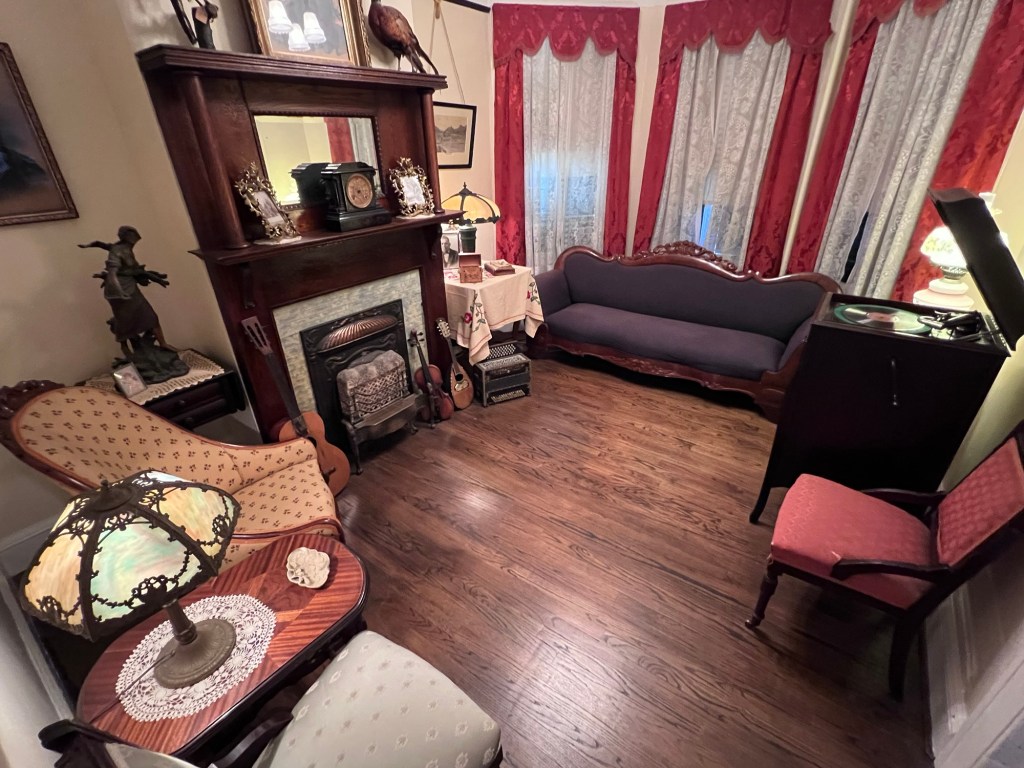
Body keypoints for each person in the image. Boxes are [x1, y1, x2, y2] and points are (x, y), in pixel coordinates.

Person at [79, 227, 189, 383]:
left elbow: (101, 244)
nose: (137, 237)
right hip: (121, 292)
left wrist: (155, 278)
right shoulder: (117, 251)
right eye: (133, 235)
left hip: (131, 287)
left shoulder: (124, 247)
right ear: (127, 236)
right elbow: (112, 274)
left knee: (151, 316)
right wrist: (119, 291)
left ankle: (163, 344)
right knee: (126, 321)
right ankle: (130, 354)